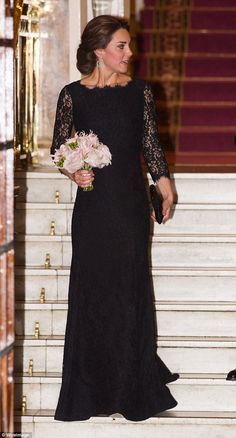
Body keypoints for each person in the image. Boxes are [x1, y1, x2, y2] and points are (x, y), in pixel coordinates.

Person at [51, 14, 178, 422]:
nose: (129, 53)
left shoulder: (139, 92)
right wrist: (74, 170)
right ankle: (90, 387)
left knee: (129, 288)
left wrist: (163, 181)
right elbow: (59, 148)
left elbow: (150, 142)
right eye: (121, 46)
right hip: (91, 209)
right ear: (98, 51)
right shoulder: (73, 95)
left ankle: (130, 383)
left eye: (127, 46)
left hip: (128, 205)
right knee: (92, 291)